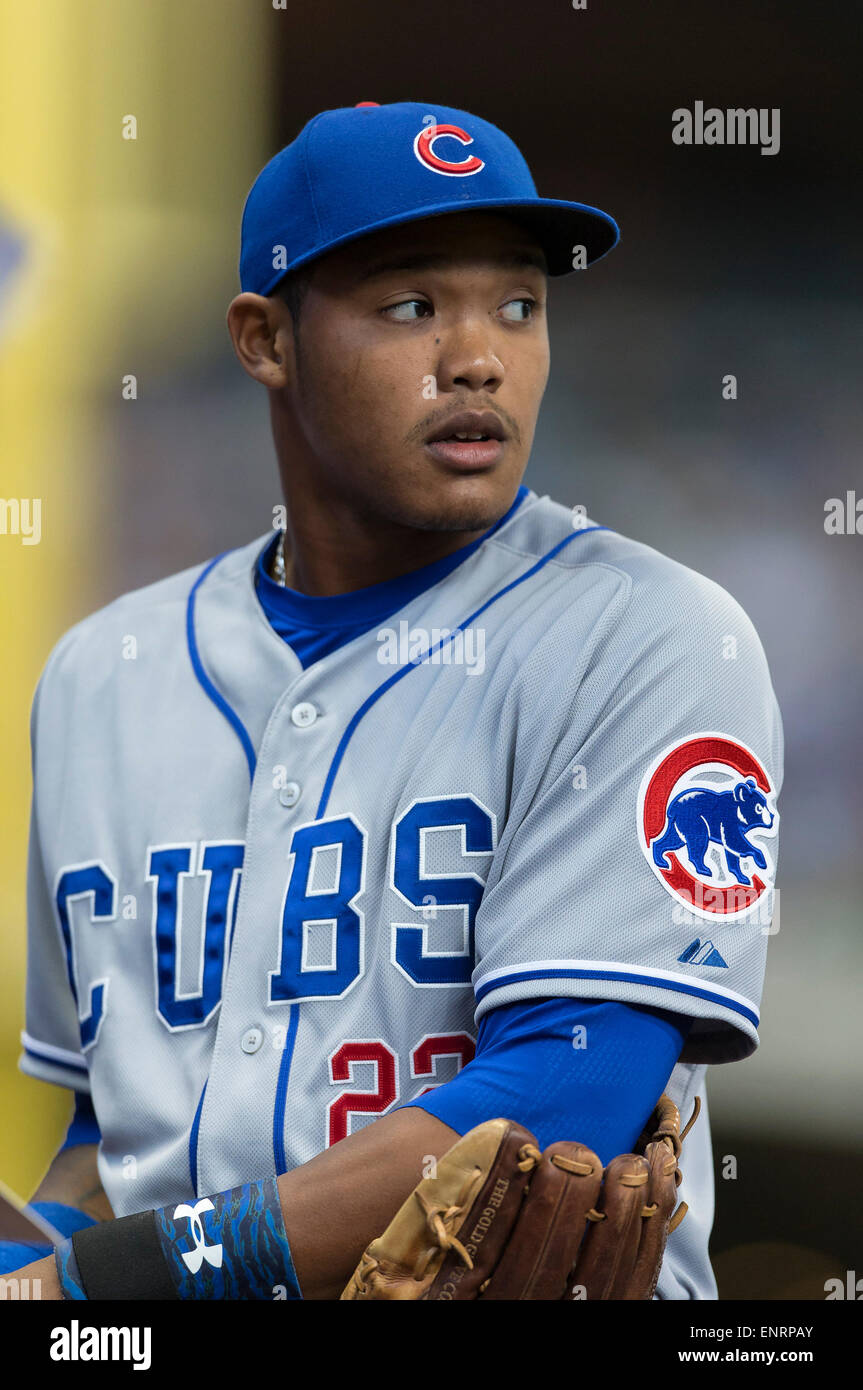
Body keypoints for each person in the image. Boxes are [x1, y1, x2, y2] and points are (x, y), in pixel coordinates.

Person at [5, 101, 782, 1300]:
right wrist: (35, 1257)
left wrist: (115, 1284)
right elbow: (115, 1133)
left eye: (518, 304)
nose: (479, 355)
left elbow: (561, 1096)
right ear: (264, 341)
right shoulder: (103, 675)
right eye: (412, 305)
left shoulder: (649, 636)